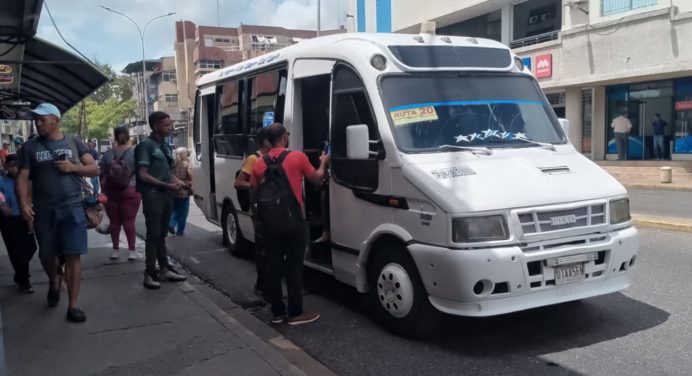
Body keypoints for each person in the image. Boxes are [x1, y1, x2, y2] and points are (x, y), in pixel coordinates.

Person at [16, 103, 99, 323]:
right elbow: (23, 177)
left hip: (72, 207)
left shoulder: (74, 143)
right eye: (36, 120)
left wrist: (73, 167)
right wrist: (23, 203)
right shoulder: (29, 147)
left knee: (73, 254)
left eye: (42, 119)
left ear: (56, 120)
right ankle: (54, 279)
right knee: (46, 254)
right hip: (44, 210)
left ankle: (73, 305)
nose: (38, 123)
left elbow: (94, 168)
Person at [250, 123, 329, 325]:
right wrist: (324, 162)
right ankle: (296, 313)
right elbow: (316, 179)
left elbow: (254, 192)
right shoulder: (297, 157)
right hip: (293, 222)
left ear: (268, 140)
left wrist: (258, 221)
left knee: (273, 267)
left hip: (269, 225)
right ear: (284, 137)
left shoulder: (259, 163)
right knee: (293, 267)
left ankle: (277, 312)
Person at [135, 111, 188, 289]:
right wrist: (167, 186)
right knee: (153, 235)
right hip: (153, 196)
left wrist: (181, 183)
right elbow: (142, 175)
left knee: (162, 235)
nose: (170, 127)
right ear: (155, 125)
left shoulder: (165, 146)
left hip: (166, 196)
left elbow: (169, 174)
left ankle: (164, 269)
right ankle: (149, 272)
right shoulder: (145, 146)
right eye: (166, 125)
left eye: (170, 124)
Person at [234, 127, 271, 295]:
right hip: (257, 209)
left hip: (270, 208)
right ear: (265, 141)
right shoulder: (253, 158)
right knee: (263, 249)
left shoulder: (273, 157)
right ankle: (261, 284)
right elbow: (239, 183)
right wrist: (258, 185)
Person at [100, 126, 142, 261]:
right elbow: (141, 171)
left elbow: (101, 174)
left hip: (111, 192)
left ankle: (115, 250)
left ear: (115, 136)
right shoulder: (135, 152)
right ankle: (131, 251)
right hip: (131, 190)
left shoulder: (108, 154)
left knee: (114, 222)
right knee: (129, 221)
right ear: (128, 136)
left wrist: (103, 190)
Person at [0, 154, 38, 293]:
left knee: (31, 247)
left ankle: (19, 274)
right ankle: (24, 281)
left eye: (16, 166)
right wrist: (3, 205)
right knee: (16, 251)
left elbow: (31, 197)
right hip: (8, 221)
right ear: (6, 167)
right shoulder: (2, 181)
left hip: (24, 218)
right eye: (10, 166)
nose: (14, 169)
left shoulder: (26, 180)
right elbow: (0, 196)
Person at [168, 147, 193, 236]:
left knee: (174, 210)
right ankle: (180, 232)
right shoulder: (187, 164)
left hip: (173, 190)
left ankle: (171, 224)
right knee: (183, 213)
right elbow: (191, 176)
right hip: (184, 192)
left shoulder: (173, 164)